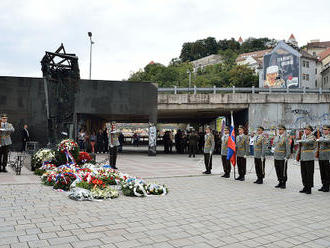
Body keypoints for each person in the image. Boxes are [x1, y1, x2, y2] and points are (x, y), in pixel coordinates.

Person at [296, 125, 316, 194]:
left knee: (309, 173)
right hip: (303, 157)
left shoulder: (312, 137)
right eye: (305, 129)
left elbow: (309, 142)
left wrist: (301, 140)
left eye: (307, 129)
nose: (305, 131)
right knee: (303, 173)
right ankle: (305, 186)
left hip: (309, 157)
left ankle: (309, 188)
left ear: (310, 130)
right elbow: (300, 147)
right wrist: (297, 156)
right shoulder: (303, 137)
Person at [273, 125, 290, 189]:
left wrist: (287, 156)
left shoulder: (286, 138)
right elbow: (274, 145)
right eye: (279, 129)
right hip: (276, 156)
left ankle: (284, 183)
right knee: (277, 169)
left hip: (282, 156)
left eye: (281, 129)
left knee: (283, 170)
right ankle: (279, 181)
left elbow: (288, 148)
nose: (279, 131)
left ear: (284, 130)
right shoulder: (276, 137)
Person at [316, 125, 330, 192]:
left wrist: (320, 139)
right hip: (321, 156)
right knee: (322, 172)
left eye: (325, 129)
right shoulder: (321, 137)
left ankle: (327, 186)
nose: (324, 131)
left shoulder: (328, 137)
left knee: (327, 172)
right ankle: (323, 184)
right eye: (323, 129)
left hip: (327, 157)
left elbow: (327, 141)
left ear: (329, 130)